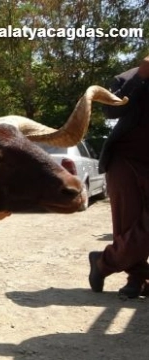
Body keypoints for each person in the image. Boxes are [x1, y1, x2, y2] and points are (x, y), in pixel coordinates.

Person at [89, 53, 149, 298]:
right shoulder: (127, 78)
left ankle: (103, 263)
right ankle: (136, 280)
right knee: (127, 224)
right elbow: (109, 112)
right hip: (124, 161)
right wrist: (141, 76)